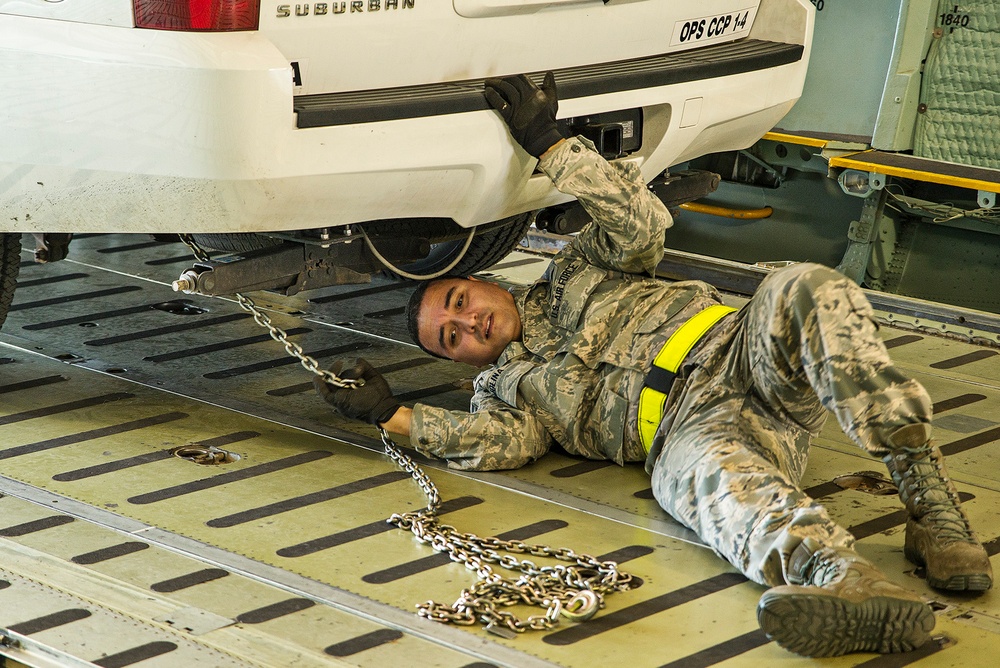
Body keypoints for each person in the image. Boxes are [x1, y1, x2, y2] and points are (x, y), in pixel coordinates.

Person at [315, 73, 993, 658]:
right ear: (460, 361)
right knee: (699, 484)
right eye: (451, 339)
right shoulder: (505, 393)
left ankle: (929, 507)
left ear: (484, 280)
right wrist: (392, 415)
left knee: (807, 287)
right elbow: (498, 445)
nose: (467, 325)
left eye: (458, 304)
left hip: (741, 349)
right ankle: (845, 583)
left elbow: (642, 224)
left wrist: (551, 145)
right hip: (688, 429)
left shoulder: (577, 266)